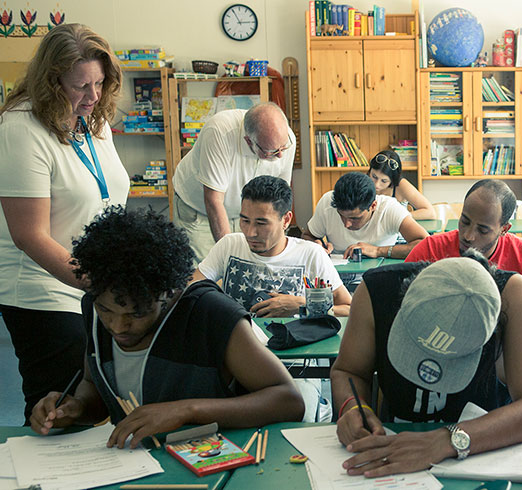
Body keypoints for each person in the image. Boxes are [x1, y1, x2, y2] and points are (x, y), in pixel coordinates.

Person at [29, 207, 304, 447]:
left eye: (137, 313)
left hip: (220, 463)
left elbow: (288, 400)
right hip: (134, 465)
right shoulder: (94, 307)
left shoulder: (212, 315)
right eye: (106, 311)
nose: (117, 325)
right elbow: (95, 388)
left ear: (169, 293)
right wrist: (76, 407)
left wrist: (187, 411)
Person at [0, 24, 130, 422]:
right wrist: (95, 281)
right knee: (59, 406)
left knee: (98, 403)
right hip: (43, 289)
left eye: (99, 82)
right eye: (79, 86)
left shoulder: (93, 119)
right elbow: (29, 235)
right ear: (51, 83)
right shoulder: (22, 129)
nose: (92, 95)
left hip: (91, 283)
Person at [331, 253, 522, 477]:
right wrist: (351, 406)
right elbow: (348, 371)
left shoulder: (512, 295)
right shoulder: (378, 290)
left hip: (484, 459)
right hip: (393, 451)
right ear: (404, 298)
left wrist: (449, 439)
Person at [406, 179, 522, 320]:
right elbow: (395, 302)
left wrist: (514, 315)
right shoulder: (430, 249)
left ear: (504, 229)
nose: (468, 236)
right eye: (464, 221)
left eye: (483, 230)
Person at [193, 175, 351, 317]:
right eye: (245, 221)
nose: (250, 233)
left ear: (286, 220)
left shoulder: (311, 254)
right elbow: (190, 290)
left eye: (261, 223)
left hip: (294, 346)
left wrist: (304, 306)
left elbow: (348, 308)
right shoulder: (229, 245)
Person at [172, 102, 296, 262]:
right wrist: (232, 258)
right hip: (199, 211)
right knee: (204, 275)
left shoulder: (286, 139)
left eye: (283, 148)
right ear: (248, 141)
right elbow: (213, 200)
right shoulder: (219, 132)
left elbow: (280, 197)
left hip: (245, 215)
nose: (280, 156)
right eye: (270, 151)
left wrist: (278, 249)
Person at [301, 171, 428, 259]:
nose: (346, 224)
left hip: (380, 276)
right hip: (338, 277)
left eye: (354, 218)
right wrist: (316, 246)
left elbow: (425, 244)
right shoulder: (327, 202)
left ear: (373, 206)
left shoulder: (389, 208)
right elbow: (307, 235)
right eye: (341, 215)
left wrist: (378, 251)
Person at [368, 150, 435, 219]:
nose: (377, 184)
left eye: (384, 181)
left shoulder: (401, 185)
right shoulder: (364, 181)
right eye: (374, 177)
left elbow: (430, 212)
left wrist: (401, 216)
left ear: (393, 179)